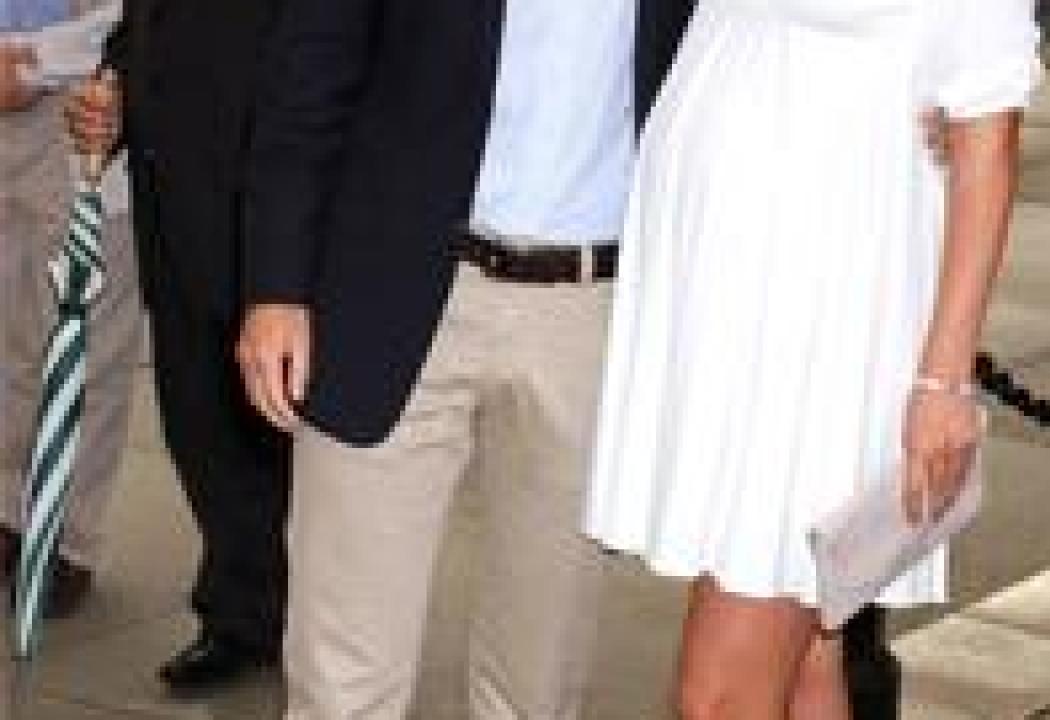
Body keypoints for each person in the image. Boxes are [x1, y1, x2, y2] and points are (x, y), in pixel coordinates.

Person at [234, 1, 694, 717]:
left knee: (538, 681)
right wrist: (276, 287)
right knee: (344, 674)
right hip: (389, 291)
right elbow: (308, 73)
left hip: (592, 311)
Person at [584, 0, 1041, 718]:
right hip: (728, 320)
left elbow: (989, 147)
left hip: (819, 336)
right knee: (807, 668)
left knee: (719, 697)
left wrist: (943, 382)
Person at [64, 0, 290, 695]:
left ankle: (304, 617)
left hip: (267, 232)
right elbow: (143, 32)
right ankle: (244, 615)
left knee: (277, 442)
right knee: (201, 430)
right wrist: (114, 96)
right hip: (176, 224)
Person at [0, 0, 138, 618]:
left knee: (81, 342)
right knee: (11, 337)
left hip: (85, 104)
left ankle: (65, 537)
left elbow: (143, 16)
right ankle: (9, 514)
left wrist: (36, 64)